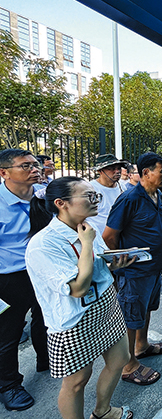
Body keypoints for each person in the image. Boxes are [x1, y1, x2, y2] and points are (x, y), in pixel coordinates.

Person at [25, 177, 135, 419]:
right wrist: (86, 244)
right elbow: (77, 289)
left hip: (105, 305)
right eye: (89, 196)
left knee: (120, 359)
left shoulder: (87, 228)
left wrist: (113, 265)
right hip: (75, 319)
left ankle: (103, 411)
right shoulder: (43, 244)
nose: (96, 200)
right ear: (61, 203)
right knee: (77, 381)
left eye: (96, 195)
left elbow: (96, 266)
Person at [103, 152, 162, 386]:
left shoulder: (158, 194)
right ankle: (128, 365)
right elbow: (109, 236)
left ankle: (141, 346)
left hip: (154, 267)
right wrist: (122, 265)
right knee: (130, 317)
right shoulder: (129, 198)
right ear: (146, 173)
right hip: (134, 272)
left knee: (146, 309)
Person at [0, 149, 49, 412]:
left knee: (46, 319)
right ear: (4, 172)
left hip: (43, 270)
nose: (34, 169)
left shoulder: (43, 195)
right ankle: (9, 385)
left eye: (35, 164)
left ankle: (46, 358)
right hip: (9, 278)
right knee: (8, 334)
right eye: (26, 166)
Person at [87, 154, 128, 235]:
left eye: (119, 168)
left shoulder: (122, 187)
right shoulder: (90, 188)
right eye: (112, 169)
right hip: (97, 236)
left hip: (117, 235)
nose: (117, 171)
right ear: (100, 171)